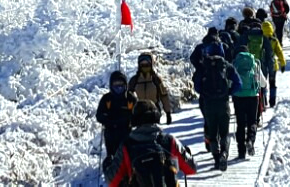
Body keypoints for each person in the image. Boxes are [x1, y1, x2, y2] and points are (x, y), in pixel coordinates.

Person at [105, 99, 197, 187]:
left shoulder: (126, 146)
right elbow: (191, 169)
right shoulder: (169, 141)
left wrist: (107, 166)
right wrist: (187, 154)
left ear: (134, 120)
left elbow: (112, 182)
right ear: (156, 116)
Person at [194, 42, 242, 171]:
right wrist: (229, 92)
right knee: (224, 133)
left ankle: (216, 159)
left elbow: (197, 86)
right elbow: (238, 83)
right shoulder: (227, 66)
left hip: (208, 104)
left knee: (212, 133)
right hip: (223, 103)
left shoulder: (203, 66)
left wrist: (205, 94)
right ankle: (224, 154)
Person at [96, 71, 138, 166]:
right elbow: (99, 115)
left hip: (126, 132)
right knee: (113, 157)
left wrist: (129, 120)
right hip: (111, 132)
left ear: (125, 85)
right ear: (111, 85)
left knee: (128, 156)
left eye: (121, 84)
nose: (119, 87)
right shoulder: (106, 98)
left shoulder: (130, 98)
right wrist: (108, 121)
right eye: (116, 84)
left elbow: (138, 114)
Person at [231, 46, 265, 159]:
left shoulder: (235, 64)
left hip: (238, 97)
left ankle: (241, 151)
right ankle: (250, 140)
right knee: (252, 121)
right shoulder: (254, 64)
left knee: (240, 123)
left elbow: (230, 82)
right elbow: (263, 83)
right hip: (252, 96)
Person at [128, 53, 173, 124]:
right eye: (142, 64)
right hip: (139, 112)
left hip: (154, 111)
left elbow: (164, 96)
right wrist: (129, 113)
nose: (145, 67)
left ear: (151, 65)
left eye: (147, 64)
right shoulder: (134, 80)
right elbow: (128, 98)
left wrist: (168, 113)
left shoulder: (156, 79)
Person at [261, 21, 286, 107]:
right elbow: (279, 52)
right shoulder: (274, 40)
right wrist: (282, 63)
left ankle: (263, 101)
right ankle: (272, 101)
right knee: (272, 83)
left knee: (262, 83)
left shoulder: (260, 40)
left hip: (262, 65)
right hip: (273, 65)